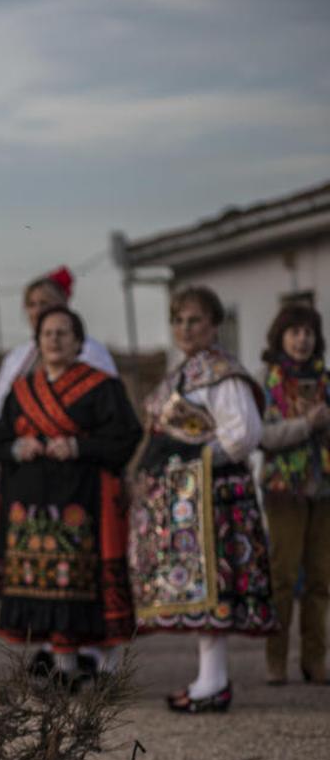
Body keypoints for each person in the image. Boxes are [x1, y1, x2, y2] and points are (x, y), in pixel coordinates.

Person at [129, 285, 276, 712]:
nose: (185, 328)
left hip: (211, 497)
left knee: (214, 589)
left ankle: (214, 684)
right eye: (178, 320)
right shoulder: (183, 373)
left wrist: (193, 458)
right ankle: (209, 680)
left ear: (214, 324)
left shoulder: (222, 373)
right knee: (200, 593)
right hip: (186, 501)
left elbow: (243, 435)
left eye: (194, 320)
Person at [0, 307, 142, 685]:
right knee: (48, 586)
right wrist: (18, 447)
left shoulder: (102, 386)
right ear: (37, 342)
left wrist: (77, 446)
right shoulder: (21, 391)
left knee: (85, 585)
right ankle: (64, 667)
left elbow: (126, 436)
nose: (54, 340)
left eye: (63, 333)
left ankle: (106, 667)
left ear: (78, 341)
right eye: (48, 333)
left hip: (83, 500)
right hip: (34, 504)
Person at [257, 304, 330, 685]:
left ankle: (315, 660)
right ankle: (276, 661)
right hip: (283, 491)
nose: (302, 339)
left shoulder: (325, 381)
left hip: (323, 489)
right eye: (295, 331)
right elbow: (264, 436)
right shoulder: (267, 382)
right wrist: (305, 424)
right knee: (282, 577)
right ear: (281, 336)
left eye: (309, 332)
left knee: (321, 579)